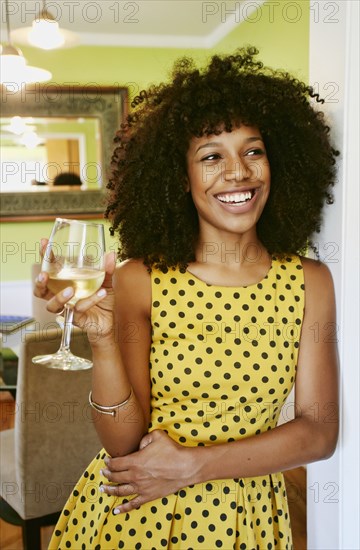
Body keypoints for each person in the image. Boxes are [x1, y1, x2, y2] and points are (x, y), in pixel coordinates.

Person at [35, 46, 339, 549]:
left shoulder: (311, 281)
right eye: (211, 156)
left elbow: (318, 434)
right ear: (182, 178)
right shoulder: (141, 278)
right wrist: (105, 340)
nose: (238, 171)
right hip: (138, 513)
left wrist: (191, 466)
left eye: (253, 150)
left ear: (276, 162)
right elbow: (123, 445)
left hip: (248, 519)